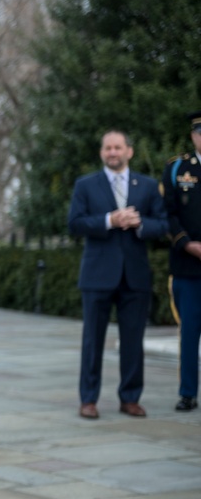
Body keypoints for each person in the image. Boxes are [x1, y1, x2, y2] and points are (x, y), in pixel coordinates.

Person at [68, 130, 166, 420]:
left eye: (118, 147)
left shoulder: (147, 186)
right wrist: (110, 220)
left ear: (129, 152)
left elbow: (162, 225)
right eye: (108, 148)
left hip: (135, 276)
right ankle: (88, 399)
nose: (113, 152)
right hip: (98, 275)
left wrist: (139, 223)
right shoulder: (86, 185)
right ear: (102, 153)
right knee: (92, 340)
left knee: (134, 340)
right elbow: (74, 223)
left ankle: (130, 398)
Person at [162, 110, 201, 412]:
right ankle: (188, 392)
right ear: (193, 135)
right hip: (188, 267)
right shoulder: (177, 168)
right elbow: (168, 213)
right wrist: (187, 245)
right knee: (189, 332)